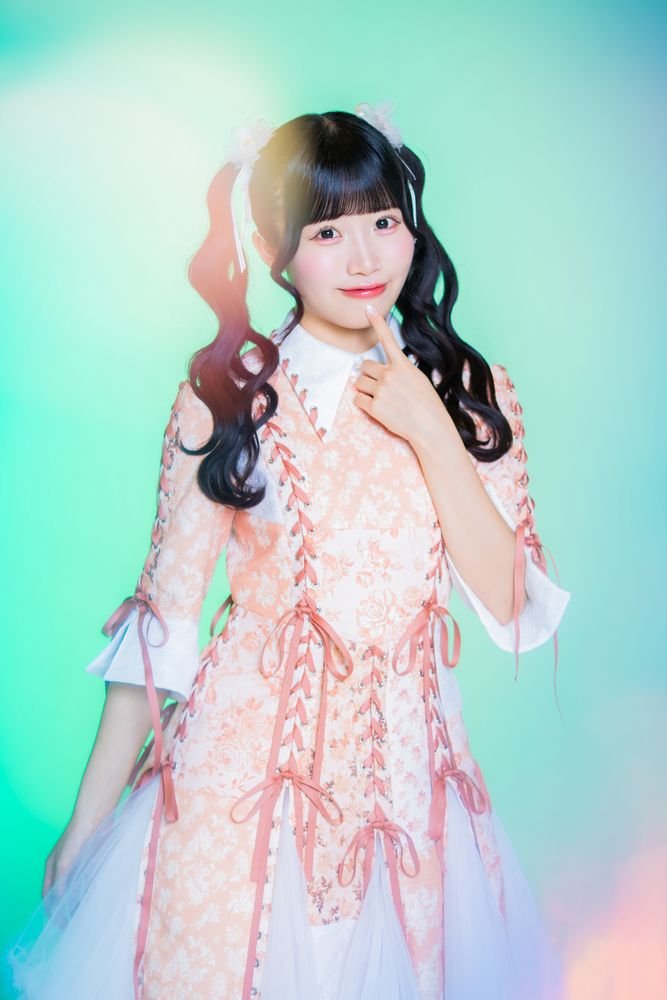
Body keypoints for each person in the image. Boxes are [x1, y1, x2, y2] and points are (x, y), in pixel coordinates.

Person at [4, 101, 571, 1000]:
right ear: (274, 246)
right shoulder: (226, 396)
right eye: (327, 232)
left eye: (383, 222)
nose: (365, 259)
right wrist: (86, 822)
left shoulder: (469, 388)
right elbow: (164, 625)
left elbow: (512, 612)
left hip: (411, 798)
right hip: (237, 798)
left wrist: (431, 432)